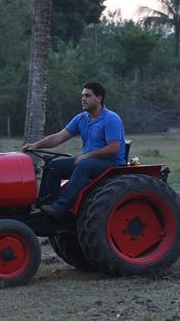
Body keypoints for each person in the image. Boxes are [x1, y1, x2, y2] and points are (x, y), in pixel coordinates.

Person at [24, 81, 126, 219]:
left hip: (111, 163)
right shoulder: (81, 118)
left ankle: (60, 207)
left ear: (99, 98)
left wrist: (87, 156)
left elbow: (113, 149)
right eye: (82, 96)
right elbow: (59, 137)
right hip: (91, 160)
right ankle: (44, 206)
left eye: (88, 95)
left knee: (84, 164)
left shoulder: (111, 119)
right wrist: (36, 145)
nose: (83, 99)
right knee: (53, 166)